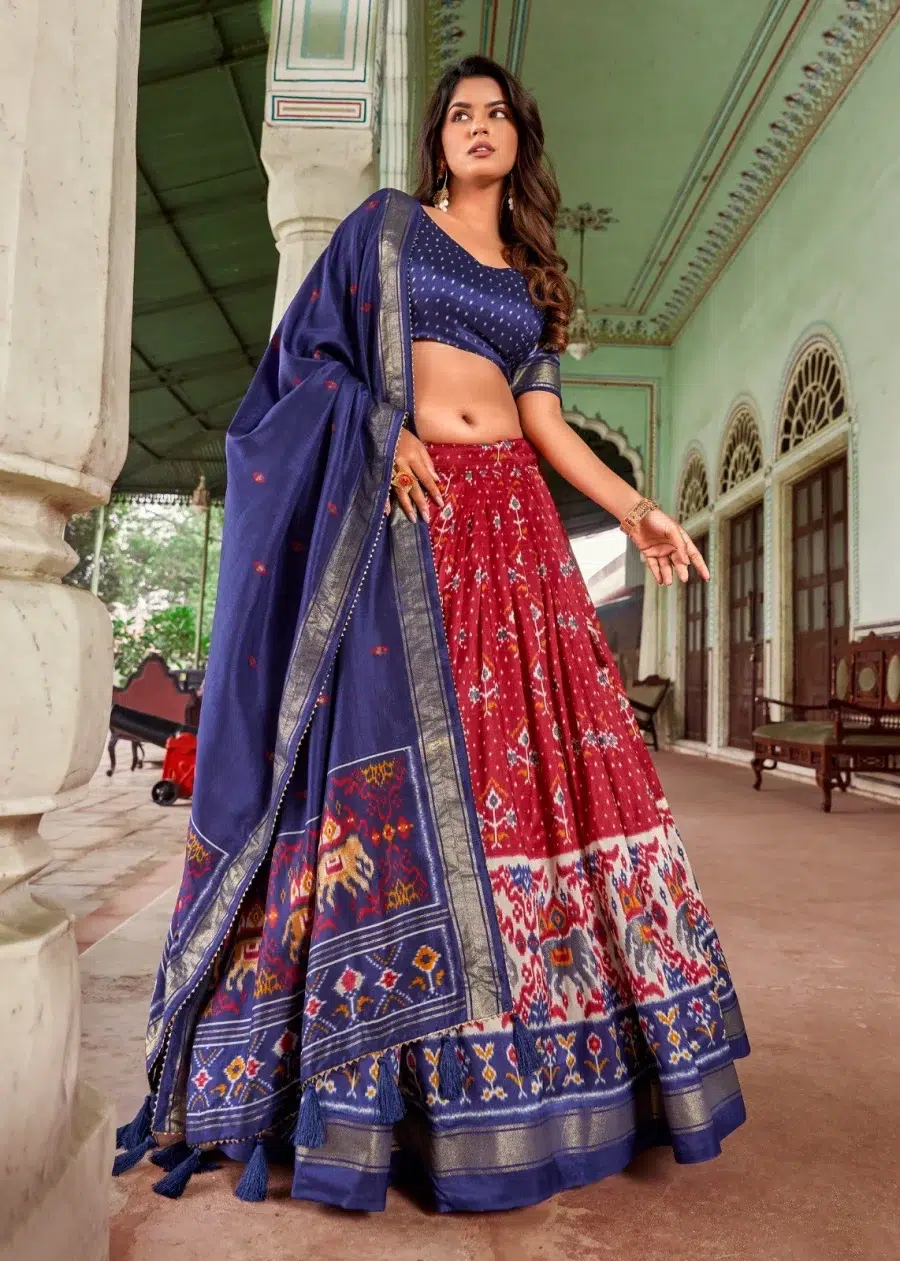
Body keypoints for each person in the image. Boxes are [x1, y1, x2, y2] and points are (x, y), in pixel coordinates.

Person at [113, 54, 749, 1214]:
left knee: (534, 778)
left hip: (514, 524)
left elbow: (546, 422)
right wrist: (375, 422)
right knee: (418, 775)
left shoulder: (533, 276)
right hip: (412, 517)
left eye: (496, 113)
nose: (476, 127)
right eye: (458, 113)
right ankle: (380, 1088)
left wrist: (637, 507)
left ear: (520, 141)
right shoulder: (385, 232)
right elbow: (302, 363)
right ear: (438, 141)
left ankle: (541, 1065)